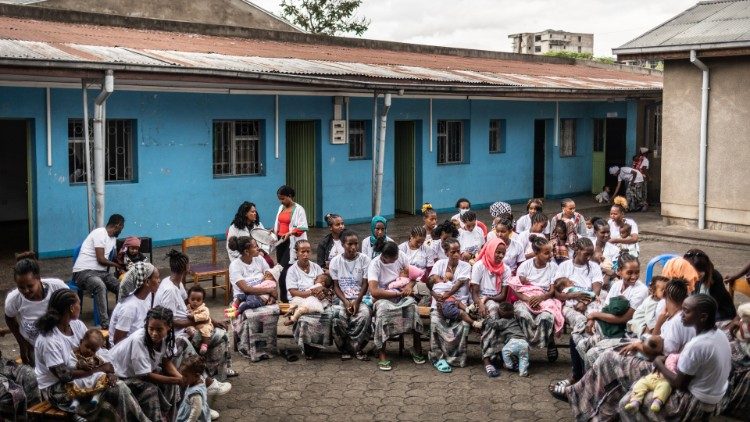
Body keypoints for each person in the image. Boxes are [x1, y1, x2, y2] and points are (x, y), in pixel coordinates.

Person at [554, 279, 696, 419]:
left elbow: (660, 354)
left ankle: (578, 395)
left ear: (666, 297)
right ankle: (582, 395)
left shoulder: (679, 321)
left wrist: (638, 345)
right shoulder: (674, 316)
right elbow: (655, 340)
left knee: (608, 358)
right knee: (602, 353)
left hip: (662, 370)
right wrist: (658, 322)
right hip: (652, 354)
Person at [34, 289, 146, 420]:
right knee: (109, 409)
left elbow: (96, 351)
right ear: (71, 307)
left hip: (81, 380)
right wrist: (100, 370)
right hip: (57, 390)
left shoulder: (77, 325)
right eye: (79, 304)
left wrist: (109, 371)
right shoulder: (49, 339)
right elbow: (64, 376)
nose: (80, 307)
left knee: (118, 387)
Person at [618, 295, 731, 420]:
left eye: (686, 311)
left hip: (698, 400)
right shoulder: (719, 334)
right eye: (682, 309)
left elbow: (679, 384)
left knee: (625, 403)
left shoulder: (697, 345)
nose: (681, 314)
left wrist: (658, 363)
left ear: (703, 317)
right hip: (717, 393)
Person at [154, 250, 237, 387]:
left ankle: (220, 372)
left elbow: (193, 308)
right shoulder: (169, 290)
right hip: (177, 335)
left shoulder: (175, 283)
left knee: (219, 330)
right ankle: (209, 378)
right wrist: (198, 321)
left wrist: (213, 321)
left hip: (189, 326)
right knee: (222, 336)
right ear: (186, 267)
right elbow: (169, 321)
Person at [108, 306, 183, 422]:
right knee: (151, 390)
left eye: (159, 330)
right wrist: (176, 380)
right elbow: (145, 375)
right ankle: (157, 419)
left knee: (173, 383)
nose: (154, 333)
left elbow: (166, 361)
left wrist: (179, 377)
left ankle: (171, 417)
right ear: (147, 325)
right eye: (151, 328)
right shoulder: (139, 339)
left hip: (139, 372)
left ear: (168, 327)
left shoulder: (167, 338)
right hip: (118, 375)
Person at [368, 241, 425, 371]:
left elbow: (413, 275)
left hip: (401, 295)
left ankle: (417, 348)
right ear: (384, 256)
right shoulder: (375, 264)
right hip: (383, 297)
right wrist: (395, 294)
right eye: (392, 259)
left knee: (413, 308)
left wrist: (409, 286)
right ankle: (382, 352)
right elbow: (374, 291)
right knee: (383, 311)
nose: (396, 260)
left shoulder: (401, 256)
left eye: (396, 257)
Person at [5, 253, 68, 365]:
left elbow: (72, 305)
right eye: (21, 287)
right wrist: (22, 344)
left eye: (30, 286)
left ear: (39, 279)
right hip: (33, 346)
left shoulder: (57, 287)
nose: (26, 291)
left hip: (61, 342)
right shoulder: (14, 299)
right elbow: (9, 318)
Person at [225, 238, 279, 362]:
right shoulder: (235, 266)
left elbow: (270, 279)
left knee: (272, 311)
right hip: (243, 298)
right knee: (251, 314)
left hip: (263, 297)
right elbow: (246, 289)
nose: (258, 248)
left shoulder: (260, 260)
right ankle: (250, 348)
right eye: (255, 246)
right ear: (246, 251)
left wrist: (271, 296)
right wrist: (269, 291)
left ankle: (268, 346)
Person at [427, 238, 474, 373]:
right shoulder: (439, 264)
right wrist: (438, 298)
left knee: (463, 325)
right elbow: (430, 285)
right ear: (446, 252)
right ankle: (438, 357)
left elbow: (458, 284)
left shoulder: (465, 266)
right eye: (453, 252)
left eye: (458, 251)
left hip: (459, 302)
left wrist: (447, 295)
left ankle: (457, 358)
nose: (456, 254)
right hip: (440, 303)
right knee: (435, 321)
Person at [71, 213, 126, 329]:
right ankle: (105, 325)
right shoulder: (100, 233)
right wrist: (117, 265)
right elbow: (101, 259)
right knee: (99, 285)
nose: (122, 230)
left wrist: (124, 264)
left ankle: (123, 317)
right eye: (122, 227)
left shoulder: (113, 239)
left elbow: (114, 257)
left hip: (101, 273)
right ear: (117, 225)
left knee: (121, 286)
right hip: (83, 272)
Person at [470, 238, 513, 377]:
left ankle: (500, 353)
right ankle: (487, 358)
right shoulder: (479, 266)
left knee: (509, 314)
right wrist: (481, 303)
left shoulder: (505, 269)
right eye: (497, 252)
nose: (500, 256)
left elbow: (503, 295)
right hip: (479, 301)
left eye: (503, 253)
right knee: (492, 314)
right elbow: (475, 292)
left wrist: (489, 299)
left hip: (495, 300)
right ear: (490, 250)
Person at [329, 230, 372, 361]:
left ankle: (356, 347)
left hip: (360, 297)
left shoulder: (365, 260)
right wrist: (346, 302)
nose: (353, 247)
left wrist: (357, 301)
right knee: (337, 317)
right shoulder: (335, 261)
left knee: (364, 315)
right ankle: (344, 348)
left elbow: (365, 284)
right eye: (349, 244)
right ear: (342, 244)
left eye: (356, 244)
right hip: (342, 298)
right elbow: (336, 286)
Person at [286, 240, 333, 358]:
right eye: (302, 252)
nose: (305, 254)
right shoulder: (292, 270)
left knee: (326, 315)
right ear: (297, 253)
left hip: (316, 301)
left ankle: (316, 347)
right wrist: (311, 292)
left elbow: (324, 284)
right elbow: (293, 291)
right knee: (305, 319)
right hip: (299, 299)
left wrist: (322, 292)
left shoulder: (316, 267)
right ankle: (307, 348)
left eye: (308, 251)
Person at [622, 335, 678, 413]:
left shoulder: (672, 356)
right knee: (640, 383)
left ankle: (657, 402)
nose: (661, 336)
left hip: (664, 380)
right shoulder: (659, 356)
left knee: (665, 387)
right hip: (651, 377)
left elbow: (674, 373)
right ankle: (635, 402)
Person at [109, 261, 160, 346]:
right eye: (157, 278)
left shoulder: (148, 296)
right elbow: (118, 342)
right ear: (147, 282)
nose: (159, 281)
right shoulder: (129, 307)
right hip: (125, 351)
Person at [273, 185, 308, 302]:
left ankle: (287, 299)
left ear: (290, 196)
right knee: (280, 269)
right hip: (281, 242)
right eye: (279, 199)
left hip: (291, 243)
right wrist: (273, 230)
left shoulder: (299, 209)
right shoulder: (280, 208)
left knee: (284, 270)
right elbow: (279, 224)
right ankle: (283, 299)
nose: (281, 201)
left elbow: (303, 227)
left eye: (283, 198)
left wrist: (290, 233)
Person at [683, 249, 737, 322]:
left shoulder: (714, 277)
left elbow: (711, 306)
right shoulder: (688, 276)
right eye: (692, 273)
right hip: (701, 309)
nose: (695, 277)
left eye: (699, 275)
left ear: (706, 269)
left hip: (721, 312)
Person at [65, 329, 109, 411]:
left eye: (93, 350)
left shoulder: (95, 356)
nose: (89, 351)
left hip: (92, 378)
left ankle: (95, 397)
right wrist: (79, 365)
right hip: (79, 379)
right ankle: (75, 402)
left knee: (102, 375)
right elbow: (70, 365)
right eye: (87, 347)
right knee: (71, 384)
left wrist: (97, 364)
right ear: (81, 342)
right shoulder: (74, 353)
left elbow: (103, 364)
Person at [496, 302, 531, 377]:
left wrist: (487, 319)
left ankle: (509, 365)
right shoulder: (514, 320)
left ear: (501, 313)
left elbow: (494, 324)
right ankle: (523, 372)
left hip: (514, 341)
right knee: (523, 358)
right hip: (524, 342)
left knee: (505, 351)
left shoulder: (503, 321)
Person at [176, 355, 211, 422]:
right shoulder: (200, 380)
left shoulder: (195, 393)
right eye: (182, 375)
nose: (183, 378)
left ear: (197, 375)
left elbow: (196, 411)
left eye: (186, 376)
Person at [186, 286, 214, 355]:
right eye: (192, 299)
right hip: (195, 327)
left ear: (202, 301)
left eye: (198, 300)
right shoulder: (187, 308)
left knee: (205, 330)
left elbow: (205, 316)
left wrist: (194, 316)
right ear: (188, 299)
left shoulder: (204, 308)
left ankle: (204, 345)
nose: (195, 302)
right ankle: (194, 340)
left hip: (205, 325)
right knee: (189, 329)